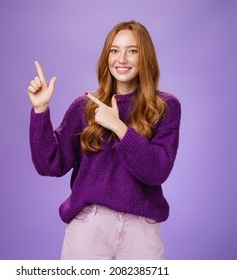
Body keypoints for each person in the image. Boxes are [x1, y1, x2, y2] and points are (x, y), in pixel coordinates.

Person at [27, 20, 181, 260]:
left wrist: (119, 127)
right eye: (114, 50)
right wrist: (40, 110)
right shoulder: (85, 107)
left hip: (141, 232)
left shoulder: (165, 107)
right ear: (106, 56)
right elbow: (50, 164)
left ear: (145, 57)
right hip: (89, 228)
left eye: (132, 51)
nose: (122, 59)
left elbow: (157, 171)